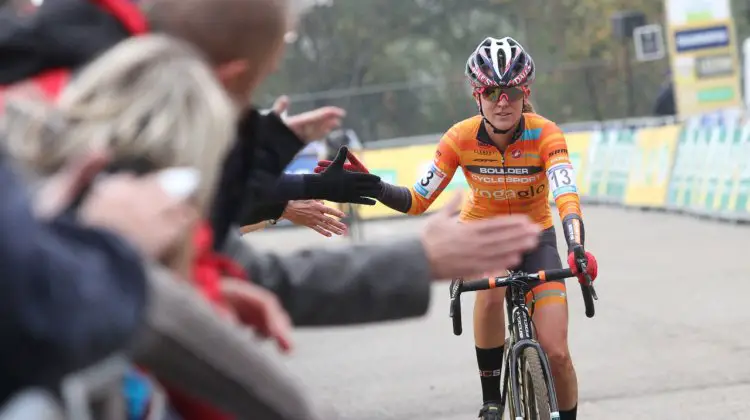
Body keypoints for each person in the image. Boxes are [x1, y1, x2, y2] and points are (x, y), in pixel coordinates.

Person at [316, 37, 599, 420]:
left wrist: (575, 247)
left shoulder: (546, 133)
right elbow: (418, 200)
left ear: (524, 93)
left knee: (558, 353)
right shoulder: (459, 138)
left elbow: (566, 194)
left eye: (512, 92)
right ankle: (491, 401)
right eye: (492, 91)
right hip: (481, 234)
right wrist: (375, 186)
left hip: (535, 235)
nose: (503, 101)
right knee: (492, 288)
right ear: (477, 96)